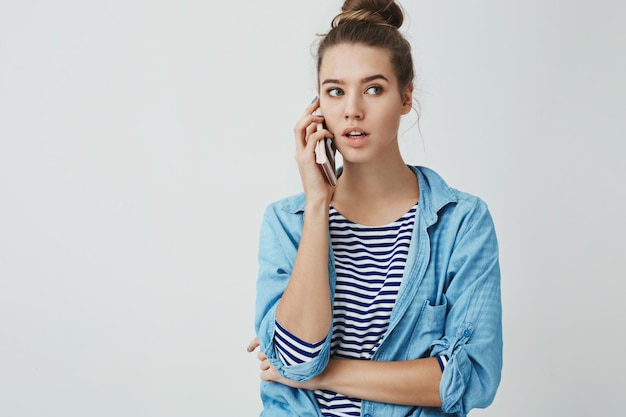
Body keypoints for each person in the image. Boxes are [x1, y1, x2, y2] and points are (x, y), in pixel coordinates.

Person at [247, 0, 503, 415]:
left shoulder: (462, 223)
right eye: (335, 91)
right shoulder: (286, 222)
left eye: (373, 88)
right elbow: (296, 358)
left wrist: (320, 374)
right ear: (317, 107)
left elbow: (470, 377)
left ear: (405, 97)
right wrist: (317, 205)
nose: (352, 109)